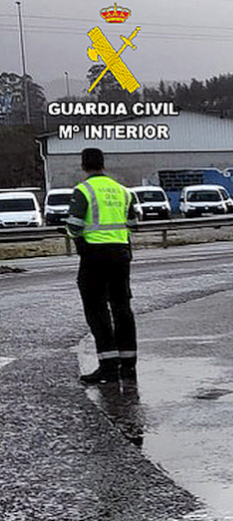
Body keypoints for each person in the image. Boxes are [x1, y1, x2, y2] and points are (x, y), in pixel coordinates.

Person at [66, 148, 139, 384]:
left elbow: (75, 225)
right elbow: (133, 223)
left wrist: (73, 232)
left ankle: (108, 367)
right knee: (122, 308)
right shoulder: (122, 191)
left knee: (97, 310)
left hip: (95, 257)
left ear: (84, 166)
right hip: (121, 254)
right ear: (103, 164)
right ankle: (128, 367)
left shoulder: (83, 190)